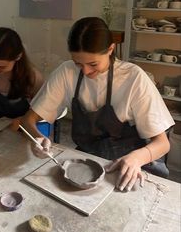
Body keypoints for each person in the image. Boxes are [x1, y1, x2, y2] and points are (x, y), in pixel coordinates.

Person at [21, 17, 174, 191]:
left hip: (131, 165)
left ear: (110, 49)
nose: (86, 71)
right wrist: (37, 138)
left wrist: (137, 158)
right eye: (78, 63)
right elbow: (28, 121)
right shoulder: (67, 72)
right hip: (90, 160)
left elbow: (162, 143)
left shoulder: (134, 78)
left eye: (93, 64)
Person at [0, 27, 44, 120]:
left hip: (19, 132)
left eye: (1, 67)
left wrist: (19, 122)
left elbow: (41, 114)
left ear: (18, 57)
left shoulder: (33, 77)